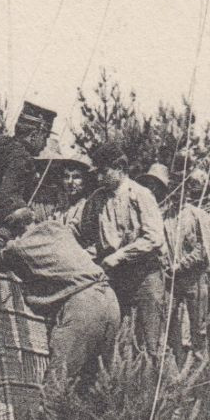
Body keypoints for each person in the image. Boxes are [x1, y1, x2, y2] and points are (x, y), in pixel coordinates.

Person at [0, 207, 120, 394]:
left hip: (82, 308)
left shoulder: (19, 247)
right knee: (95, 383)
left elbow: (0, 257)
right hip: (109, 299)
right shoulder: (58, 228)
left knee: (56, 386)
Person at [72, 143, 168, 353]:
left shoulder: (140, 194)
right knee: (115, 337)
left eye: (104, 172)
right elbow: (85, 235)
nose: (99, 178)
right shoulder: (97, 199)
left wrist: (120, 255)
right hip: (115, 277)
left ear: (120, 169)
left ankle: (159, 383)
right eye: (96, 173)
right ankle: (118, 382)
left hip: (145, 274)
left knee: (151, 339)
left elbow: (154, 238)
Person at [144, 164, 210, 360]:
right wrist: (164, 262)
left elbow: (203, 249)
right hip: (171, 280)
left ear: (187, 192)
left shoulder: (197, 216)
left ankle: (200, 362)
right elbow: (157, 243)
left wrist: (183, 264)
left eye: (181, 190)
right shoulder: (164, 217)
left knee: (199, 325)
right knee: (166, 319)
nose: (176, 194)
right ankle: (170, 360)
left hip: (193, 279)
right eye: (172, 190)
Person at [0, 102, 55, 225]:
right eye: (45, 138)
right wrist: (28, 214)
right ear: (34, 135)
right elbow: (9, 198)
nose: (45, 144)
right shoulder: (22, 157)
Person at [33, 142, 91, 223]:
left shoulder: (87, 208)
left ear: (85, 180)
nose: (70, 182)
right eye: (66, 177)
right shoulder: (60, 210)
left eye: (76, 177)